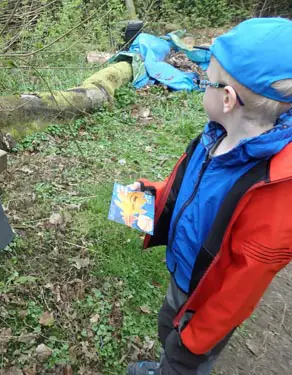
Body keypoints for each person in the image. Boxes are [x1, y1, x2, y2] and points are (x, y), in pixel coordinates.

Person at [126, 17, 292, 375]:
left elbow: (240, 289)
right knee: (167, 326)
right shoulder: (214, 136)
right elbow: (186, 188)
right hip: (183, 275)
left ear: (228, 98)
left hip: (206, 311)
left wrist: (196, 340)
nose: (202, 84)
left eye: (206, 79)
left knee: (183, 361)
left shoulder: (276, 190)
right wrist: (151, 197)